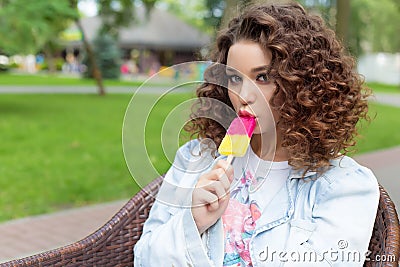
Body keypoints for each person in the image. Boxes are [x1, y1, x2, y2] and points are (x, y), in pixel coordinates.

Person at [134, 2, 379, 266]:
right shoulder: (196, 158)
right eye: (235, 79)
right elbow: (145, 258)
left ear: (303, 83)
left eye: (262, 77)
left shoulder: (344, 186)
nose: (244, 97)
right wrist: (192, 221)